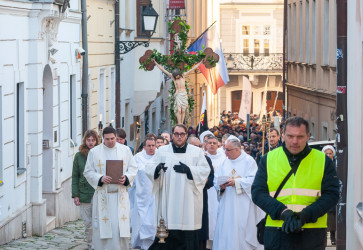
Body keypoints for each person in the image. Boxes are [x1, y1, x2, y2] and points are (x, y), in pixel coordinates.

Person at [251, 117, 339, 250]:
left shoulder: (323, 160)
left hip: (311, 232)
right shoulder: (268, 159)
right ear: (283, 135)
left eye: (300, 136)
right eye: (290, 136)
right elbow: (258, 193)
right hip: (277, 229)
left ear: (308, 136)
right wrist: (282, 212)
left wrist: (306, 215)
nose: (294, 141)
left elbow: (332, 195)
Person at [146, 124, 211, 250]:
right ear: (172, 135)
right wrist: (157, 169)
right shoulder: (162, 151)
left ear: (186, 136)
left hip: (188, 206)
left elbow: (205, 171)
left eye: (182, 134)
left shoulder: (196, 152)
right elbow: (149, 168)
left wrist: (189, 170)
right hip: (168, 204)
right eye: (176, 134)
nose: (179, 137)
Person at [84, 126, 138, 250]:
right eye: (107, 139)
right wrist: (100, 178)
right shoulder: (95, 152)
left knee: (119, 228)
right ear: (103, 138)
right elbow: (88, 172)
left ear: (115, 136)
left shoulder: (125, 150)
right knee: (104, 228)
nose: (110, 141)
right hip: (103, 195)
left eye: (113, 138)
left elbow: (133, 168)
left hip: (120, 196)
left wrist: (126, 178)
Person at [213, 136, 264, 250]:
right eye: (225, 149)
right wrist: (220, 186)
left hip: (243, 205)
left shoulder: (249, 161)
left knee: (242, 232)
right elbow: (216, 180)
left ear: (237, 149)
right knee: (226, 232)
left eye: (228, 150)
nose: (225, 153)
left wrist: (236, 182)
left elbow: (254, 181)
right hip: (227, 204)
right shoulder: (224, 162)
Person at [72, 129, 99, 249]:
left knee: (97, 221)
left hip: (98, 191)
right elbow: (75, 176)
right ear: (85, 141)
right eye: (88, 140)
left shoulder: (100, 153)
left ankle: (98, 244)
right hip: (84, 192)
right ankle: (90, 245)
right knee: (88, 222)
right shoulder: (79, 156)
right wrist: (75, 195)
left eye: (93, 140)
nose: (91, 142)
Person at [152, 59, 202, 124]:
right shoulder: (173, 77)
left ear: (179, 74)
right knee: (179, 110)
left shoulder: (183, 76)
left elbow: (192, 69)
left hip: (183, 94)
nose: (177, 77)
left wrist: (200, 62)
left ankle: (181, 123)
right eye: (175, 76)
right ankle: (179, 123)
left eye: (177, 76)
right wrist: (156, 63)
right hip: (178, 94)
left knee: (183, 110)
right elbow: (163, 70)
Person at [130, 137, 158, 249]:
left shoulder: (159, 157)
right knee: (141, 222)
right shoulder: (138, 158)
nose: (151, 148)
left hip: (156, 195)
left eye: (153, 145)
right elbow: (135, 174)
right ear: (144, 147)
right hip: (142, 195)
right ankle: (141, 244)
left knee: (153, 221)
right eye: (149, 146)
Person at [187, 136, 215, 250]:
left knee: (200, 231)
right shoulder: (183, 159)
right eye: (195, 146)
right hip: (186, 199)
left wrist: (202, 181)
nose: (198, 149)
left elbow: (211, 180)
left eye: (199, 146)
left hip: (200, 198)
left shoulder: (206, 159)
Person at [204, 135, 226, 249]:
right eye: (210, 143)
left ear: (218, 145)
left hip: (218, 192)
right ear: (206, 144)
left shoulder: (223, 158)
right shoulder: (202, 157)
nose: (212, 145)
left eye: (214, 143)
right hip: (206, 192)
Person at [322, 145, 337, 246]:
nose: (328, 155)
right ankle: (323, 237)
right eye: (326, 153)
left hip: (332, 193)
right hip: (323, 193)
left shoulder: (336, 164)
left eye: (330, 153)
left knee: (332, 218)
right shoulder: (319, 164)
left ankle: (332, 236)